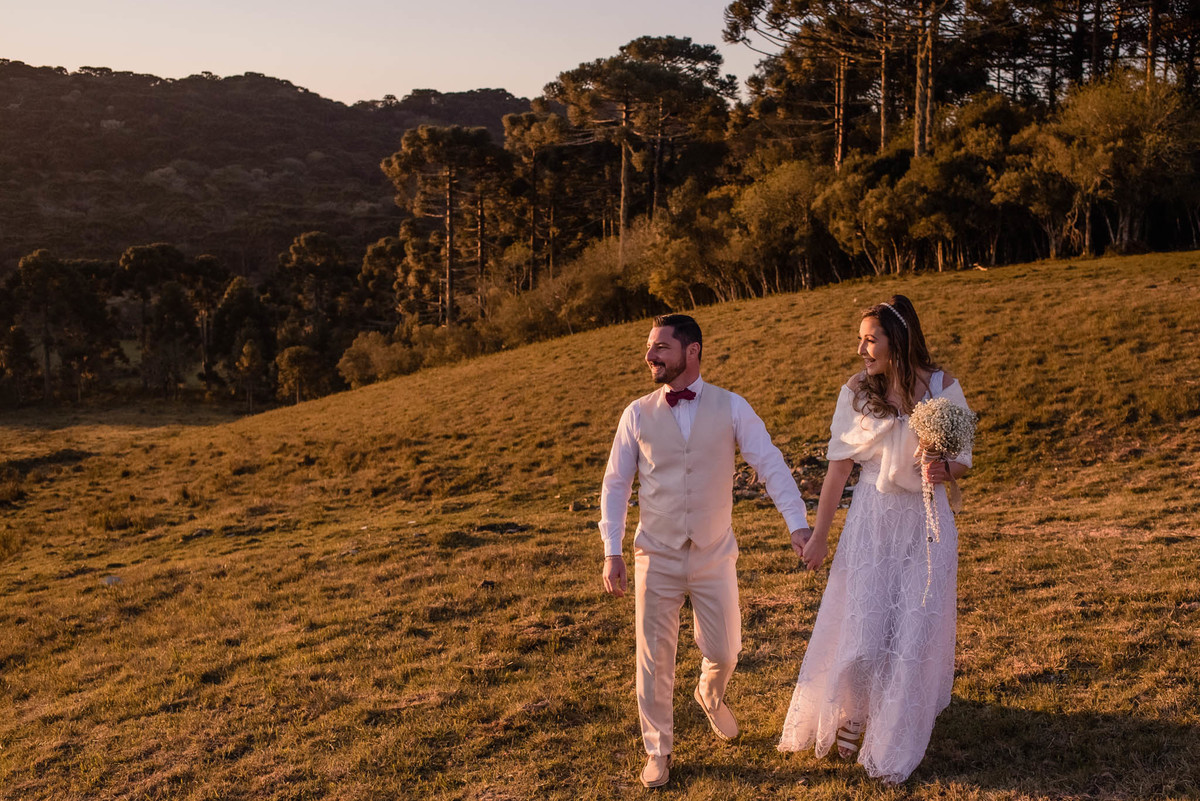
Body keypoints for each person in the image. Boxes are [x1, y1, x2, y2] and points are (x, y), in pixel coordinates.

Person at [599, 313, 812, 789]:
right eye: (649, 347)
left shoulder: (732, 406)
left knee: (726, 649)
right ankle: (658, 750)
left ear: (691, 351)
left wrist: (796, 522)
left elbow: (769, 462)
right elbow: (616, 485)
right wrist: (611, 549)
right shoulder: (636, 414)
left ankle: (709, 694)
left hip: (715, 552)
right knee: (654, 659)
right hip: (656, 554)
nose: (650, 356)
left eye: (660, 347)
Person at [778, 295, 973, 785]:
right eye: (861, 338)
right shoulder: (856, 390)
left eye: (870, 339)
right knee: (866, 625)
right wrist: (819, 536)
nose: (861, 348)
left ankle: (892, 737)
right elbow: (838, 469)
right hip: (872, 522)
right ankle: (853, 712)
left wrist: (942, 466)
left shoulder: (944, 388)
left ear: (897, 341)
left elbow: (964, 457)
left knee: (914, 628)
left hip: (925, 525)